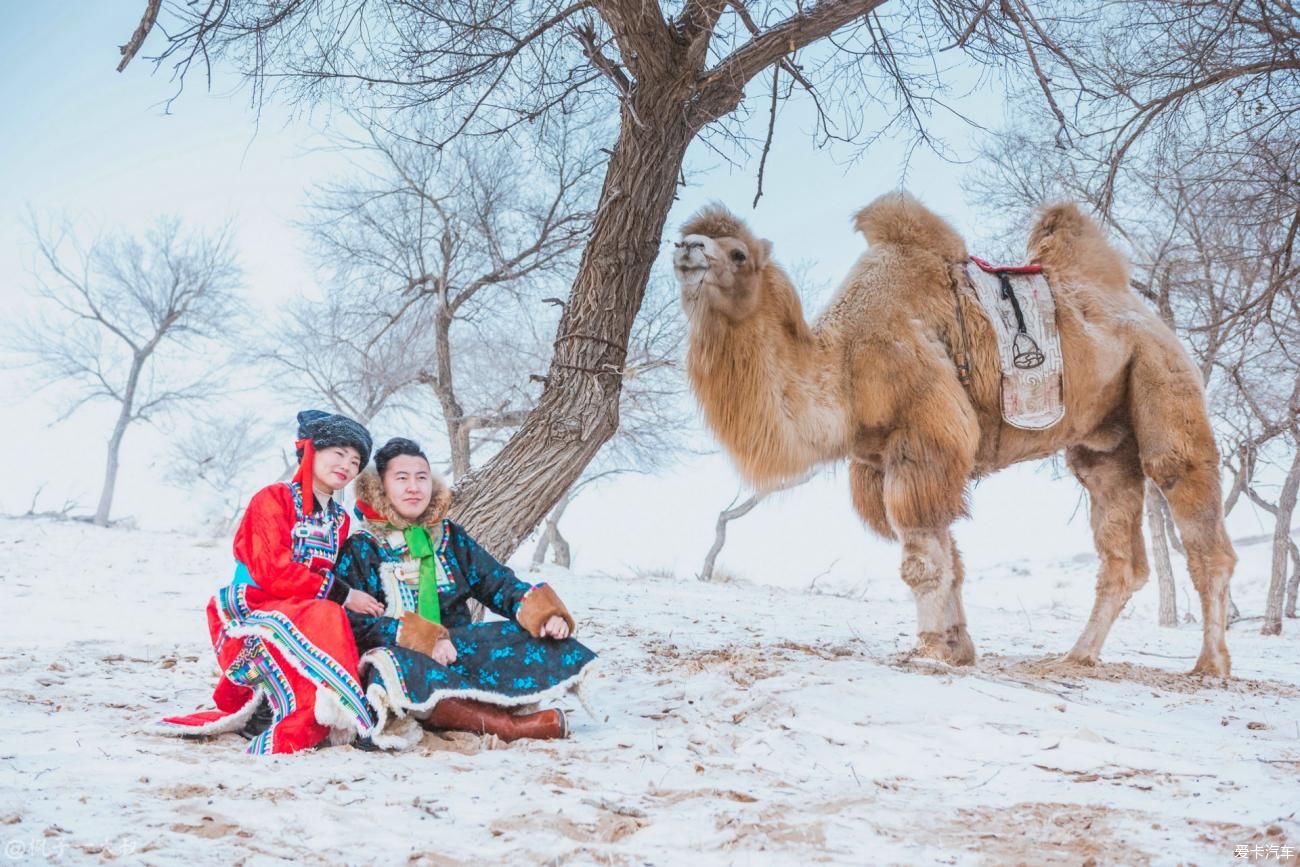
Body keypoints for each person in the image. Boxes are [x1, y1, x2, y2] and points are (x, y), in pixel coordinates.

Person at [334, 437, 597, 745]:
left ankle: (472, 710)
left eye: (421, 478)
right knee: (393, 666)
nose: (414, 487)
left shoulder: (450, 537)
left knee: (529, 635)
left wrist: (543, 614)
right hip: (400, 655)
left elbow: (497, 582)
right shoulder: (361, 547)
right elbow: (356, 623)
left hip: (457, 649)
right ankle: (509, 727)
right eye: (401, 478)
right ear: (380, 487)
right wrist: (423, 640)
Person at [156, 410, 384, 754]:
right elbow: (271, 570)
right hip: (255, 603)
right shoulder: (273, 498)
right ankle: (343, 716)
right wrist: (343, 594)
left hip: (306, 607)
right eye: (338, 454)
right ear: (311, 451)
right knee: (327, 615)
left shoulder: (339, 519)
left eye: (355, 461)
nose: (347, 466)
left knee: (341, 619)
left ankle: (322, 711)